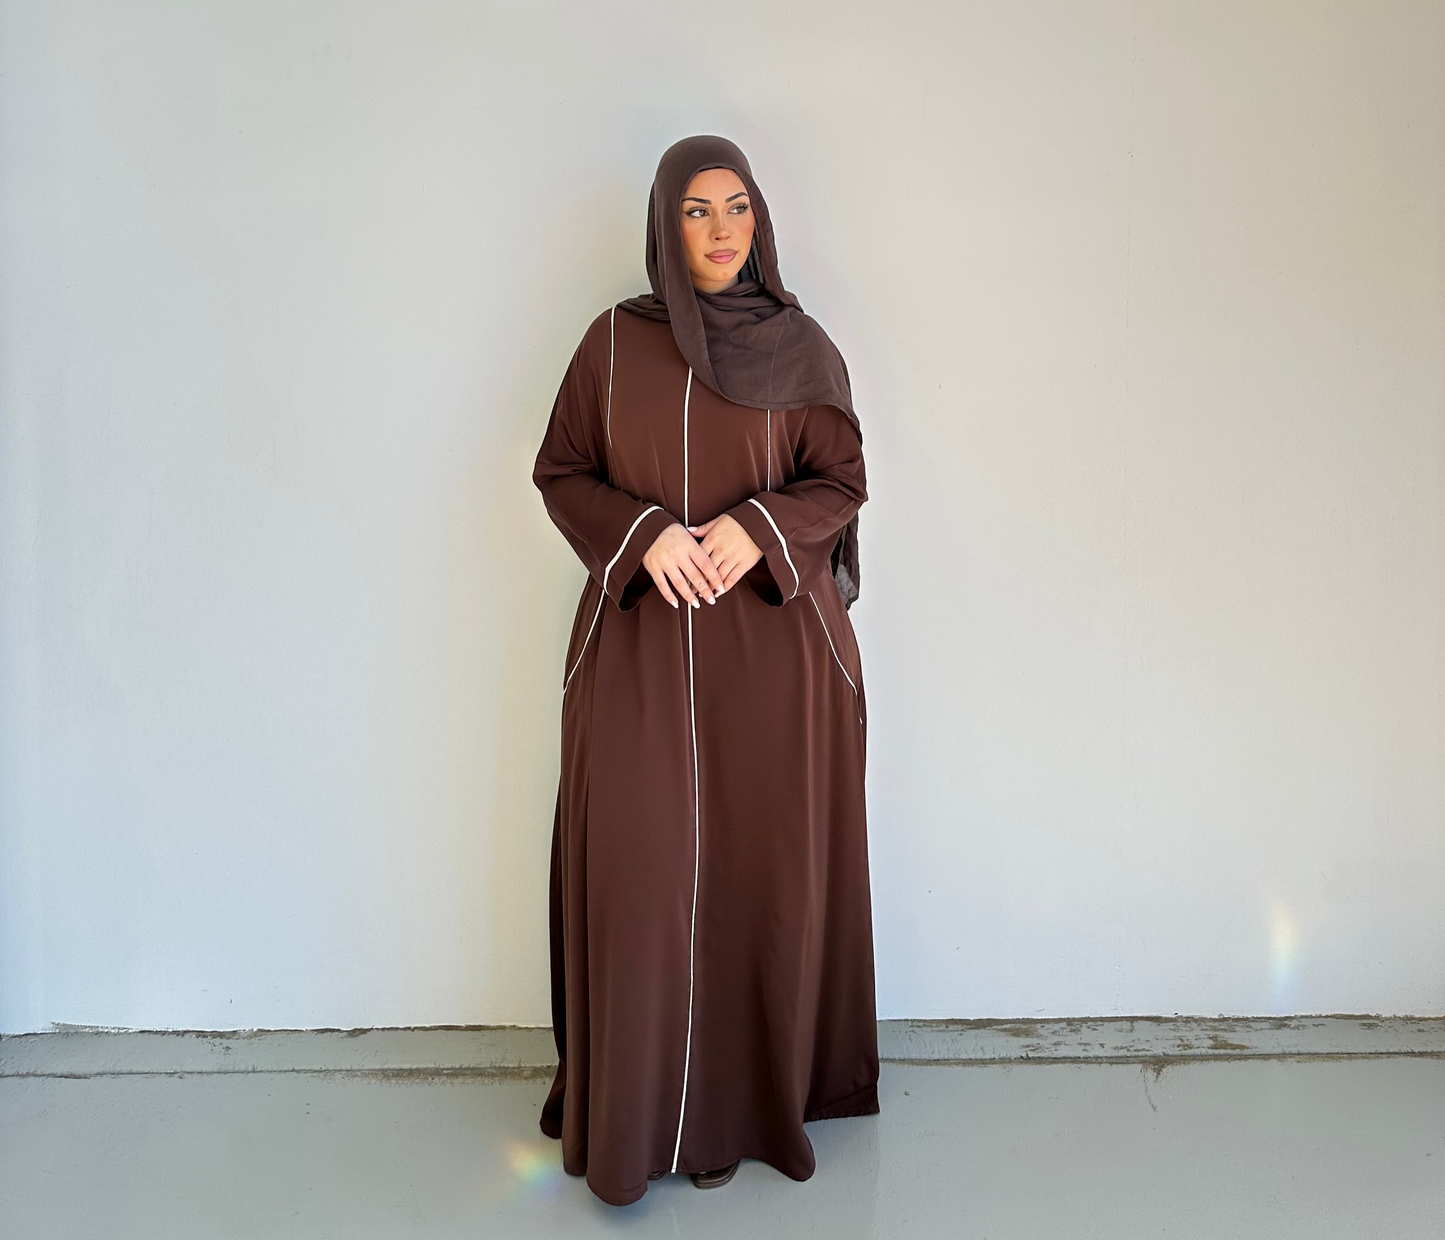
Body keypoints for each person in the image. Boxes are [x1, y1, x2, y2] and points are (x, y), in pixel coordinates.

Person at [531, 134, 877, 1208]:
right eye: (695, 210)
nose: (721, 231)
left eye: (736, 208)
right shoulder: (611, 345)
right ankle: (639, 1114)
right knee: (640, 875)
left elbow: (841, 478)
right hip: (638, 654)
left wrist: (757, 526)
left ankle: (741, 1111)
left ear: (758, 219)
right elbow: (561, 470)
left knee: (754, 884)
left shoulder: (801, 348)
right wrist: (641, 536)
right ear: (663, 226)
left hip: (776, 662)